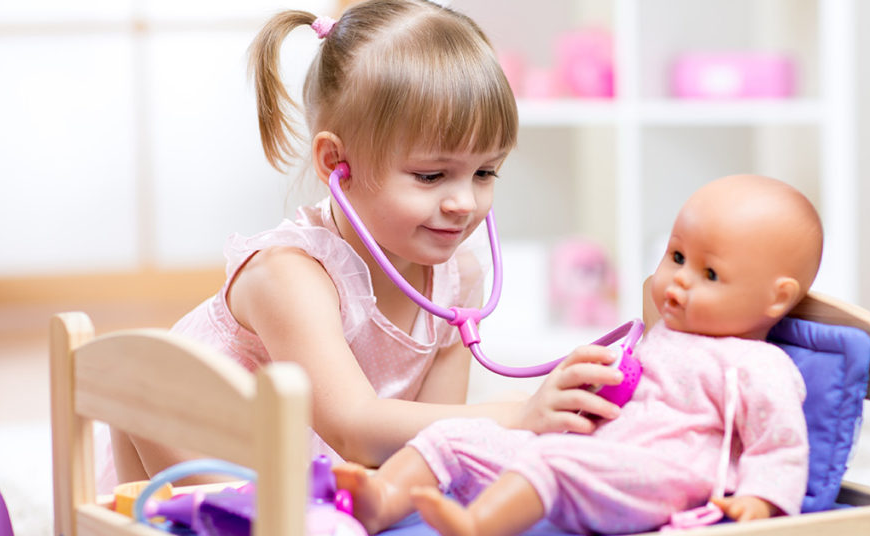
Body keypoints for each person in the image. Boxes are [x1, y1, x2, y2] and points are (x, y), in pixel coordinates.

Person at [103, 0, 626, 490]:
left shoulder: (460, 281)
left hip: (309, 483)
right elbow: (353, 429)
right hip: (196, 476)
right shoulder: (289, 275)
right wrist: (517, 413)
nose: (464, 201)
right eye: (431, 175)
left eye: (486, 171)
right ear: (336, 164)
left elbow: (429, 450)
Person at [332, 174, 824, 536]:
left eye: (710, 274)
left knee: (553, 459)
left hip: (663, 476)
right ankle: (383, 499)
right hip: (597, 454)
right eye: (676, 257)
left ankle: (477, 526)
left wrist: (761, 502)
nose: (678, 282)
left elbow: (779, 444)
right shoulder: (660, 335)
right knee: (455, 435)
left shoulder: (757, 366)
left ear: (776, 299)